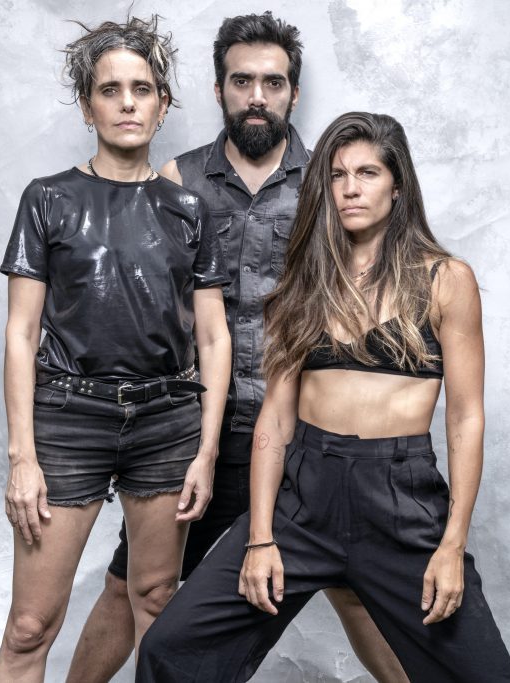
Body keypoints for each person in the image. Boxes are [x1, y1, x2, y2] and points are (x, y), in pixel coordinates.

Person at [68, 12, 407, 683]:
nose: (257, 96)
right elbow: (147, 307)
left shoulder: (330, 185)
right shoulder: (178, 180)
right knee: (133, 582)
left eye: (273, 82)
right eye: (242, 80)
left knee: (352, 589)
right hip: (198, 426)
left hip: (300, 427)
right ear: (219, 89)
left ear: (293, 93)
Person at [135, 112, 510, 682]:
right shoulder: (306, 282)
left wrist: (451, 544)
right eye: (338, 175)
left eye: (367, 173)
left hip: (399, 502)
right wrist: (261, 538)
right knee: (170, 649)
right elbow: (275, 420)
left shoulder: (445, 279)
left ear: (398, 184)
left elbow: (466, 417)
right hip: (303, 500)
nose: (350, 188)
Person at [0, 16, 231, 682]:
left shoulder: (189, 210)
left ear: (163, 103)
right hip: (69, 419)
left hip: (166, 422)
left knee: (155, 599)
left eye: (142, 89)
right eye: (110, 89)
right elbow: (20, 332)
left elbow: (213, 336)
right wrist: (22, 457)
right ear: (86, 104)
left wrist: (207, 450)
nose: (128, 103)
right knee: (30, 625)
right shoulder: (48, 199)